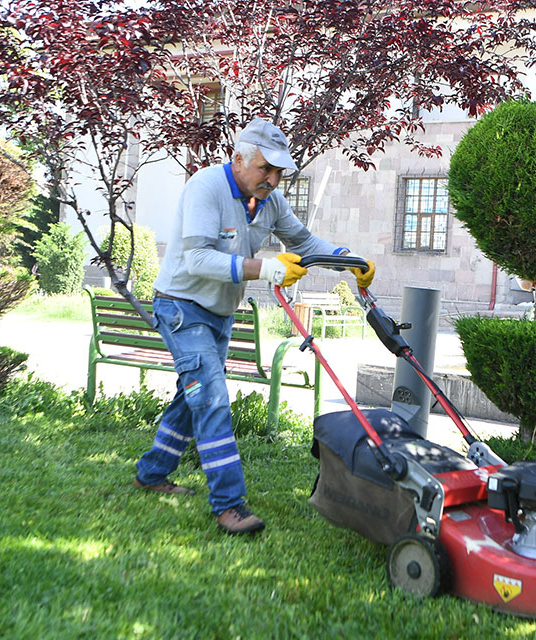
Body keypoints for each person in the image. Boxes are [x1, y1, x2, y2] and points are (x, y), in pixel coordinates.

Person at [136, 117, 375, 535]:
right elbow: (197, 260)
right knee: (210, 398)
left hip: (220, 312)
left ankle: (152, 473)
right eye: (266, 168)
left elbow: (304, 243)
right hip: (181, 307)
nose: (273, 178)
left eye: (279, 171)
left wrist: (349, 259)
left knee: (192, 394)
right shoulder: (206, 188)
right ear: (239, 160)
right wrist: (266, 269)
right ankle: (229, 504)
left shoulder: (270, 201)